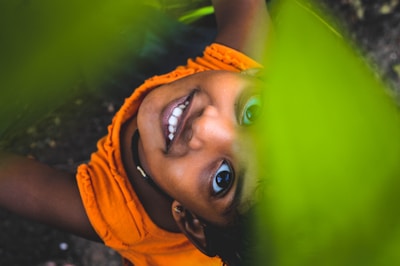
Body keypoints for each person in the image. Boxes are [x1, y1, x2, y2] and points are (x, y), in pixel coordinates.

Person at [0, 0, 270, 265]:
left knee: (110, 60)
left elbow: (22, 186)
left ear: (192, 223)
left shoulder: (119, 215)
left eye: (222, 179)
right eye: (253, 113)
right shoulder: (243, 61)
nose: (205, 125)